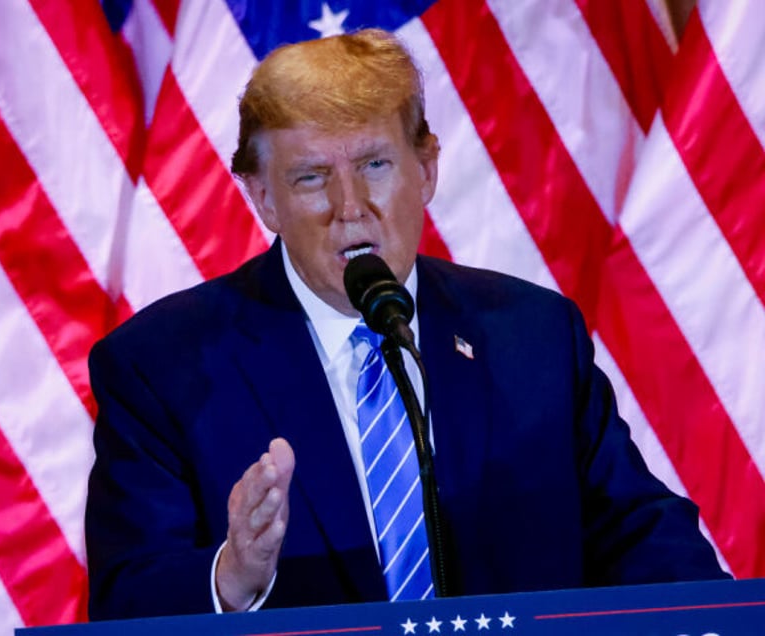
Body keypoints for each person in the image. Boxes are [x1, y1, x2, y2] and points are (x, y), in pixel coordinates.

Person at [84, 28, 727, 621]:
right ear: (263, 199)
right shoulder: (161, 367)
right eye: (311, 178)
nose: (350, 207)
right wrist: (232, 578)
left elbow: (641, 531)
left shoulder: (531, 335)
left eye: (374, 165)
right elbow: (127, 597)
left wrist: (709, 627)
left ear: (426, 168)